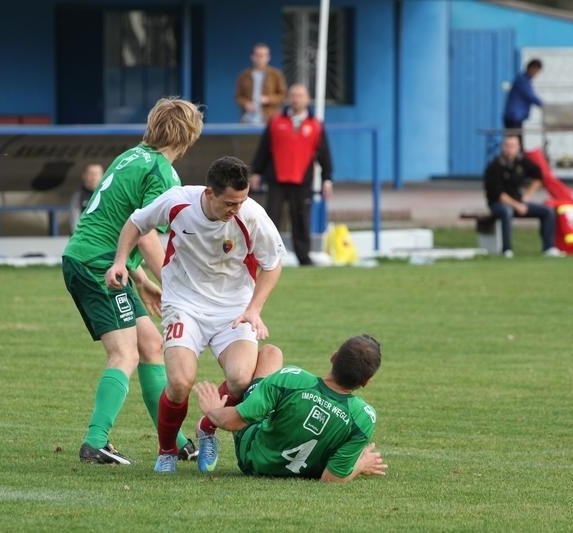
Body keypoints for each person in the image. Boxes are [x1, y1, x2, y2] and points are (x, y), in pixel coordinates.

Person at [108, 155, 286, 474]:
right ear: (209, 193)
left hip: (233, 309)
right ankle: (167, 451)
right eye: (230, 203)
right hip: (184, 304)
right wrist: (120, 261)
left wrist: (254, 308)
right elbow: (136, 223)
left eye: (242, 201)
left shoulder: (253, 216)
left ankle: (208, 427)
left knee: (241, 379)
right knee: (179, 382)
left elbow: (272, 264)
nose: (236, 209)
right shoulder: (178, 202)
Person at [62, 97, 204, 466]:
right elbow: (144, 233)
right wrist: (176, 287)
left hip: (94, 259)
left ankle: (176, 440)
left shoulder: (131, 156)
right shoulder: (161, 172)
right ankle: (95, 442)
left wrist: (141, 279)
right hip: (98, 266)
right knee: (124, 353)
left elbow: (120, 221)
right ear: (190, 135)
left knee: (151, 344)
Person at [194, 334, 387, 482]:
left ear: (333, 357)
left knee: (271, 353)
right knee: (271, 359)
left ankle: (207, 425)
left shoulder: (292, 379)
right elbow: (331, 479)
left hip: (252, 459)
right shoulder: (363, 418)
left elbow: (234, 422)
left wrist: (212, 411)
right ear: (366, 381)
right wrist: (360, 464)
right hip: (298, 468)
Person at [250, 83, 333, 266]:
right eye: (293, 95)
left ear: (307, 99)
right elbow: (263, 150)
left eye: (300, 95)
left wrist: (327, 179)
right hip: (277, 180)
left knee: (301, 221)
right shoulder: (276, 121)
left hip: (302, 181)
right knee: (270, 220)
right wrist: (256, 172)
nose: (296, 99)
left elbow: (324, 154)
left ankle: (304, 258)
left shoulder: (316, 125)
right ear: (288, 98)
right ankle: (266, 258)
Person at [484, 135, 564, 258]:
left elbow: (539, 176)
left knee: (548, 211)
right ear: (502, 148)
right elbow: (498, 194)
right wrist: (517, 206)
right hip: (499, 204)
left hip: (519, 202)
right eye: (507, 146)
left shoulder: (521, 162)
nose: (510, 149)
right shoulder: (494, 166)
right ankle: (507, 250)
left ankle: (549, 248)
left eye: (513, 146)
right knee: (507, 212)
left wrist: (527, 195)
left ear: (518, 148)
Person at [234, 43, 287, 124]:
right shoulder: (244, 75)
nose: (260, 58)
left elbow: (283, 95)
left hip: (270, 117)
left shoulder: (276, 75)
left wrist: (268, 99)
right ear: (252, 57)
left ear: (268, 57)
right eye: (257, 55)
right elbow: (238, 97)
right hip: (248, 118)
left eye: (263, 56)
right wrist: (246, 104)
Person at [503, 59, 543, 149]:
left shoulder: (525, 80)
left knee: (517, 141)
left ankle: (517, 159)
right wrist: (545, 106)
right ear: (532, 68)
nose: (536, 74)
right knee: (514, 143)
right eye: (536, 71)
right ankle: (516, 160)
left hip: (516, 116)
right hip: (513, 116)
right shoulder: (522, 80)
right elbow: (530, 96)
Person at [69, 163, 104, 233]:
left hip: (104, 237)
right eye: (91, 173)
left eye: (97, 174)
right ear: (84, 176)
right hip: (84, 237)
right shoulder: (78, 196)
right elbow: (74, 220)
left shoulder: (108, 195)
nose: (94, 177)